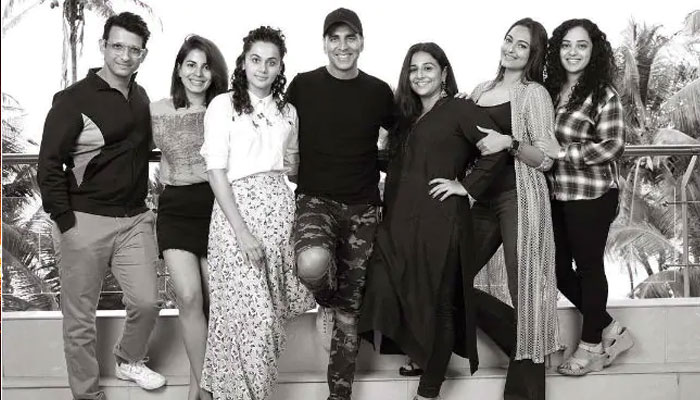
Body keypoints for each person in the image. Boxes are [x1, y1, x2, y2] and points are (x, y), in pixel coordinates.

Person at [358, 42, 510, 400]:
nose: (420, 75)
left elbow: (496, 150)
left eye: (428, 67)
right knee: (388, 286)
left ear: (444, 73)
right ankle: (419, 353)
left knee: (441, 304)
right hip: (399, 222)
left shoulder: (459, 109)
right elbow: (402, 163)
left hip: (441, 221)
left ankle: (428, 391)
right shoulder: (406, 117)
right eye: (413, 69)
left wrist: (466, 188)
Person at [37, 12, 166, 399]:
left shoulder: (141, 97)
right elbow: (49, 164)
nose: (125, 56)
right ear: (103, 46)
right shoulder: (73, 99)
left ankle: (128, 359)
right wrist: (66, 221)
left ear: (143, 55)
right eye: (118, 46)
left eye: (134, 50)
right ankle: (87, 395)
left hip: (134, 219)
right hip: (84, 221)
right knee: (79, 321)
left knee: (148, 300)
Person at [199, 26, 315, 400]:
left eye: (271, 62)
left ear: (280, 67)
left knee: (273, 322)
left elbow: (292, 165)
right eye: (255, 60)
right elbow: (216, 171)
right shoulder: (222, 106)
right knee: (252, 319)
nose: (263, 68)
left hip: (280, 213)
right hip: (235, 216)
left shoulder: (288, 111)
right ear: (243, 63)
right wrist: (242, 232)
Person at [286, 8, 395, 400]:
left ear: (361, 42)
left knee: (350, 317)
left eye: (351, 38)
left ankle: (339, 395)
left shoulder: (379, 91)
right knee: (311, 265)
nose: (343, 46)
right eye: (335, 38)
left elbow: (404, 136)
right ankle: (326, 298)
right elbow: (278, 128)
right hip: (316, 199)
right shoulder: (303, 85)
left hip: (363, 207)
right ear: (325, 43)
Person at [466, 18, 561, 399]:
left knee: (524, 289)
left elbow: (546, 159)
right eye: (509, 40)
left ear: (533, 55)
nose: (512, 49)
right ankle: (526, 342)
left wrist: (510, 142)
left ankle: (524, 390)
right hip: (481, 201)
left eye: (522, 45)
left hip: (519, 197)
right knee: (448, 277)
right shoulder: (479, 91)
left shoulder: (534, 94)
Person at [537, 18, 632, 377]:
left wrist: (563, 152)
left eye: (581, 45)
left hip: (592, 194)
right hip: (556, 193)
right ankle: (610, 328)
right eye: (566, 45)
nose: (573, 52)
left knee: (589, 268)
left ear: (594, 51)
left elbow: (613, 145)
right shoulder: (550, 90)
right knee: (559, 270)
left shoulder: (603, 94)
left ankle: (591, 346)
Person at [150, 34, 228, 400]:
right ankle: (207, 390)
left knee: (216, 299)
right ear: (179, 69)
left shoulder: (226, 108)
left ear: (215, 73)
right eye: (191, 64)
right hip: (176, 207)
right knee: (188, 295)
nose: (198, 73)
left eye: (206, 66)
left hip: (218, 206)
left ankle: (197, 388)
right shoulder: (156, 110)